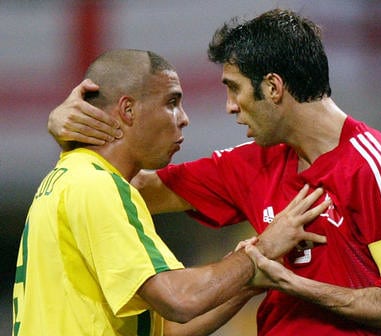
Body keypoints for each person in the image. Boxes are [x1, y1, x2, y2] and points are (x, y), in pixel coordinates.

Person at [47, 9, 381, 336]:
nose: (230, 107)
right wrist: (76, 135)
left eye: (234, 89)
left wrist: (291, 283)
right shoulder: (252, 163)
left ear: (273, 87)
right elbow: (125, 188)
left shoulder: (377, 169)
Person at [13, 48, 332, 336]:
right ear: (128, 110)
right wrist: (261, 249)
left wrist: (249, 280)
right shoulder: (97, 186)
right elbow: (179, 300)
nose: (184, 119)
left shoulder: (71, 178)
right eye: (172, 103)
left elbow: (164, 328)